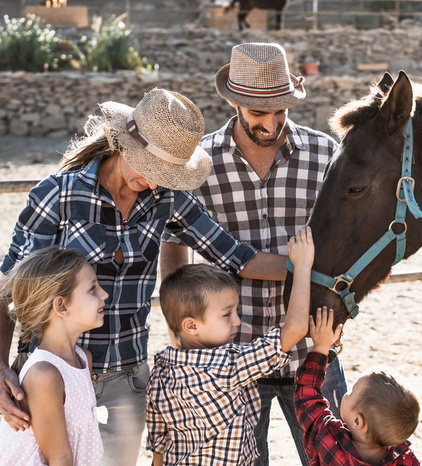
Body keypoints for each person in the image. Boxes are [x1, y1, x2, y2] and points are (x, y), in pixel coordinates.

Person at [0, 88, 287, 466]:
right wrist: (0, 367)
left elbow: (237, 256)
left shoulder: (165, 197)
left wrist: (318, 272)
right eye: (149, 169)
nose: (154, 183)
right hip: (48, 380)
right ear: (125, 146)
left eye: (165, 175)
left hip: (127, 380)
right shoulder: (58, 196)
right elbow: (8, 290)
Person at [159, 42, 346, 466]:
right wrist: (177, 324)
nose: (273, 121)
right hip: (230, 355)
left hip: (314, 349)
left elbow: (350, 233)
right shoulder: (198, 162)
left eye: (282, 109)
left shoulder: (326, 155)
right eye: (260, 112)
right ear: (233, 101)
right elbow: (174, 242)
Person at [147, 226, 315, 465]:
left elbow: (159, 444)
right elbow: (295, 329)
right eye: (227, 314)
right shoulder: (228, 365)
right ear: (191, 326)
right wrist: (302, 266)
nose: (237, 320)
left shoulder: (161, 369)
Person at [0, 246, 109, 465]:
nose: (104, 294)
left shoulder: (82, 358)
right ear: (61, 305)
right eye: (92, 289)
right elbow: (59, 458)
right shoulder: (44, 374)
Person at [294, 307, 421, 466]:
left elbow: (307, 397)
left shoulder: (330, 442)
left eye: (351, 392)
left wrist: (320, 347)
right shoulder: (407, 459)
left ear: (357, 421)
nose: (346, 393)